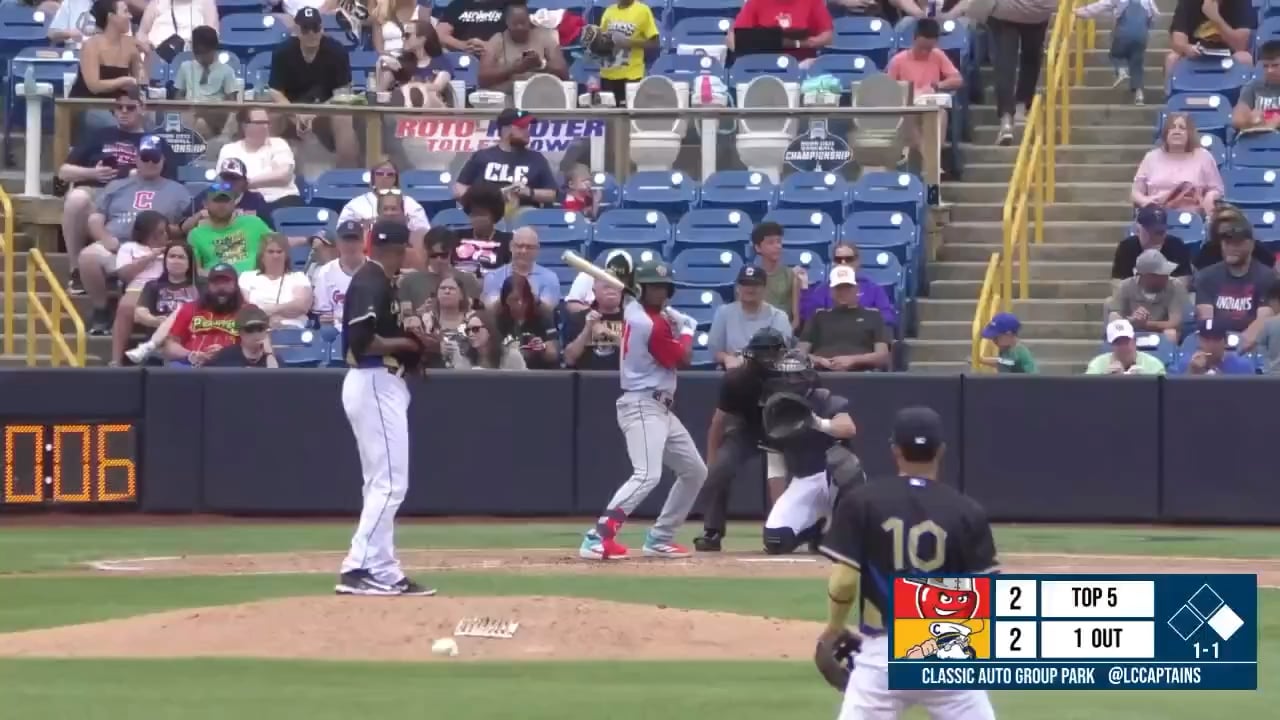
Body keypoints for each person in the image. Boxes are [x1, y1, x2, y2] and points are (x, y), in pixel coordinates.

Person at [817, 406, 999, 720]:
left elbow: (844, 581)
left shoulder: (862, 501)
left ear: (895, 450)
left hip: (882, 656)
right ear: (941, 451)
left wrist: (833, 629)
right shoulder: (967, 510)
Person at [579, 258, 708, 561]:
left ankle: (660, 537)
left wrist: (670, 320)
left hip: (660, 407)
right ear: (643, 289)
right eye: (654, 287)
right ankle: (598, 536)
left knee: (694, 471)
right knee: (647, 474)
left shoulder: (637, 310)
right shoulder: (649, 324)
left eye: (664, 288)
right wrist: (687, 330)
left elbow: (650, 313)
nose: (660, 293)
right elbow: (684, 358)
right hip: (642, 404)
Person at [335, 219, 435, 597]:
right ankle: (359, 566)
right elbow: (363, 342)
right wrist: (407, 345)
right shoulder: (369, 280)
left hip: (379, 382)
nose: (409, 251)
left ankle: (383, 569)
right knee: (391, 483)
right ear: (394, 249)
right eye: (406, 246)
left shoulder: (379, 280)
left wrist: (408, 347)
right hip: (374, 380)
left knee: (380, 483)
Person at [59, 87, 170, 295]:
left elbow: (166, 176)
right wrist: (93, 173)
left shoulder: (153, 141)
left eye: (130, 107)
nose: (123, 111)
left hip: (132, 194)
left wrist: (133, 174)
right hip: (97, 190)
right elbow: (64, 171)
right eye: (118, 107)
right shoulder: (100, 135)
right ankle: (76, 271)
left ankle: (118, 269)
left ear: (143, 109)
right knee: (76, 198)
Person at [77, 135, 191, 335]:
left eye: (155, 158)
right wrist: (104, 238)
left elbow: (183, 228)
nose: (149, 163)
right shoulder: (117, 185)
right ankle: (101, 310)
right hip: (116, 246)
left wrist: (163, 237)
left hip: (154, 253)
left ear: (163, 160)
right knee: (88, 256)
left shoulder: (179, 191)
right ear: (137, 159)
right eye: (145, 157)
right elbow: (95, 219)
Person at [759, 351, 859, 554]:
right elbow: (775, 466)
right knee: (776, 539)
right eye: (786, 376)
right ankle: (817, 528)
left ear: (808, 376)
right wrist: (780, 506)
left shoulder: (824, 398)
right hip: (804, 479)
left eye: (795, 375)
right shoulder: (774, 408)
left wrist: (816, 422)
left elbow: (849, 428)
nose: (790, 381)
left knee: (841, 459)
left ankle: (843, 527)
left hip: (833, 478)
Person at [268, 6, 360, 168]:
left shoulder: (336, 51)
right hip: (292, 109)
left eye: (315, 28)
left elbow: (343, 93)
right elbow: (275, 91)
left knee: (343, 117)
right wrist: (296, 114)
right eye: (305, 29)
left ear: (322, 28)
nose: (311, 34)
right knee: (269, 116)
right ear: (297, 30)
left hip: (326, 109)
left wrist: (313, 114)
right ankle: (264, 166)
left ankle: (347, 177)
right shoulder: (282, 52)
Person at [1192, 204, 1277, 345]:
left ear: (1251, 245)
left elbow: (1263, 319)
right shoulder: (1206, 276)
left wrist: (1238, 347)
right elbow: (1207, 321)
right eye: (1227, 243)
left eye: (1237, 243)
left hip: (1254, 344)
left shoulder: (1267, 277)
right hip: (1216, 343)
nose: (1231, 248)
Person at [453, 109, 558, 210]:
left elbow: (552, 193)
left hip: (523, 213)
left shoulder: (536, 158)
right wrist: (480, 200)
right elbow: (460, 187)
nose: (527, 132)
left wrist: (528, 192)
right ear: (505, 130)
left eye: (527, 127)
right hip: (487, 212)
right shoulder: (482, 156)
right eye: (522, 127)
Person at [68, 0, 146, 132]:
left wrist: (148, 56)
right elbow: (94, 86)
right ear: (111, 17)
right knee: (114, 125)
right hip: (87, 106)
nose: (131, 16)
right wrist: (123, 81)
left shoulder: (130, 45)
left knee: (148, 121)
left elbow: (141, 81)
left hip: (120, 107)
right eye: (125, 11)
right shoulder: (91, 45)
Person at [797, 265, 891, 372]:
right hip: (822, 372)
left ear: (856, 289)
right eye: (838, 288)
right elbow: (799, 354)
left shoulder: (873, 316)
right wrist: (819, 361)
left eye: (847, 288)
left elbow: (883, 356)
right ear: (831, 291)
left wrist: (853, 360)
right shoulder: (818, 316)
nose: (842, 292)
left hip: (861, 375)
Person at [986, 0, 1055, 144]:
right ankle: (1021, 107)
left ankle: (1006, 118)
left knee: (1005, 63)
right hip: (1037, 12)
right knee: (1031, 58)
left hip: (1004, 11)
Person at [886, 19, 964, 147]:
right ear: (914, 40)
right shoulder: (898, 61)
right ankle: (930, 160)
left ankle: (932, 159)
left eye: (929, 48)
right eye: (921, 48)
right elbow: (888, 88)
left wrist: (938, 85)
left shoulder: (938, 55)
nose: (924, 52)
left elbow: (957, 79)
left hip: (930, 105)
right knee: (908, 118)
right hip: (908, 108)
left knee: (941, 115)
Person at [107, 211, 170, 364]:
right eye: (161, 232)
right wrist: (150, 257)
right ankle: (116, 360)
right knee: (125, 307)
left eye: (166, 230)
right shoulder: (129, 247)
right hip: (138, 285)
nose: (166, 234)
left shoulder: (172, 249)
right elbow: (124, 275)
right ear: (148, 232)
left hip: (163, 287)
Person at [216, 108, 304, 218]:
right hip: (246, 203)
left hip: (282, 200)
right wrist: (269, 175)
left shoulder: (279, 144)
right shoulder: (229, 150)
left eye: (267, 122)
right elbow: (226, 183)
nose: (265, 126)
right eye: (259, 123)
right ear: (245, 126)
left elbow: (283, 176)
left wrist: (245, 183)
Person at [1130, 113, 1223, 217]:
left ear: (1189, 133)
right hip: (1157, 214)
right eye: (1172, 128)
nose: (1177, 131)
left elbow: (1217, 189)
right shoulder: (1151, 157)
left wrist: (1209, 197)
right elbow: (1136, 192)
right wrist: (1146, 201)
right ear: (1166, 133)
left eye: (1182, 128)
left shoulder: (1204, 156)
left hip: (1192, 217)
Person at [126, 242, 202, 364]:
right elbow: (139, 314)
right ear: (165, 261)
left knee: (181, 310)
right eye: (172, 256)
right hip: (160, 340)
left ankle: (149, 347)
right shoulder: (152, 286)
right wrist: (156, 321)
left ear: (190, 263)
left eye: (181, 257)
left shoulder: (201, 286)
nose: (175, 260)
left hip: (189, 336)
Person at [160, 262, 245, 365]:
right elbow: (170, 346)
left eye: (226, 282)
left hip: (232, 368)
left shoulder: (248, 311)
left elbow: (256, 346)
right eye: (216, 283)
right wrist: (191, 355)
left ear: (236, 285)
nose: (221, 287)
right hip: (192, 368)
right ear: (208, 286)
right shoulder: (190, 308)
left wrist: (225, 353)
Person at [708, 265, 793, 368]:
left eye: (755, 284)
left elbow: (779, 352)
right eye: (745, 284)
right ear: (737, 288)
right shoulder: (723, 313)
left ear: (765, 288)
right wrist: (727, 358)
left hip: (766, 374)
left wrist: (745, 361)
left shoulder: (778, 317)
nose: (749, 289)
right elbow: (716, 351)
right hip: (731, 373)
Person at [798, 243, 897, 330]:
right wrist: (804, 289)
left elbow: (888, 318)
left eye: (848, 259)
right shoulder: (823, 290)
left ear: (857, 262)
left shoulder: (874, 290)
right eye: (838, 259)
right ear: (833, 263)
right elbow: (808, 317)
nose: (843, 263)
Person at [1076, 0, 1157, 105]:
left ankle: (1121, 70)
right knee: (1137, 62)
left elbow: (1100, 6)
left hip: (1124, 32)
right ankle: (1139, 94)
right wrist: (1148, 27)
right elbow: (1155, 14)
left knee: (1115, 54)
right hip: (1141, 35)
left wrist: (1080, 12)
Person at [477, 4, 569, 96]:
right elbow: (483, 78)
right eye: (515, 24)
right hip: (507, 97)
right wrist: (513, 69)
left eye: (523, 23)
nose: (519, 27)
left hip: (541, 96)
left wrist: (541, 64)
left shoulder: (546, 37)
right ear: (507, 23)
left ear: (529, 20)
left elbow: (563, 73)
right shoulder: (497, 40)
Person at [1106, 249, 1190, 344]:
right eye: (1160, 274)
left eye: (1166, 273)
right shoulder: (1125, 286)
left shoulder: (1175, 286)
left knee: (1171, 333)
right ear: (1144, 275)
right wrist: (1133, 320)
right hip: (1131, 331)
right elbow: (1115, 322)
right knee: (1113, 315)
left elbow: (1174, 323)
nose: (1166, 277)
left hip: (1162, 332)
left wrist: (1145, 324)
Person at [187, 181, 275, 272]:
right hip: (218, 282)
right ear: (205, 204)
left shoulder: (254, 222)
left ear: (234, 203)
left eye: (226, 200)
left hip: (254, 281)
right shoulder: (196, 234)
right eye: (216, 200)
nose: (222, 205)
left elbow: (279, 245)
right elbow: (197, 272)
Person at [396, 226, 483, 314]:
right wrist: (421, 313)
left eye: (443, 255)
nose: (439, 260)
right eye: (433, 255)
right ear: (426, 252)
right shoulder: (410, 281)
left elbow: (478, 316)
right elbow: (405, 318)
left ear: (451, 252)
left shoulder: (468, 280)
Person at [172, 26, 237, 139]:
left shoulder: (227, 71)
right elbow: (178, 96)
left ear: (214, 49)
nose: (201, 57)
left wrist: (211, 112)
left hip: (215, 116)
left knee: (202, 122)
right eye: (197, 53)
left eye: (204, 53)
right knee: (196, 121)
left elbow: (232, 103)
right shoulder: (185, 67)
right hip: (190, 113)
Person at [237, 233, 314, 329]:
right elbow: (246, 309)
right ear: (262, 256)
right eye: (270, 252)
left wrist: (270, 309)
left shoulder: (299, 277)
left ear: (286, 255)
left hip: (293, 329)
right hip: (256, 330)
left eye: (279, 252)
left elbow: (301, 306)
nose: (275, 256)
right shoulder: (247, 277)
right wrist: (279, 312)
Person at [338, 159, 431, 237]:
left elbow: (424, 233)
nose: (384, 178)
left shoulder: (410, 204)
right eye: (380, 174)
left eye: (390, 174)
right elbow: (342, 232)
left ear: (396, 179)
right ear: (373, 177)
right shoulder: (355, 205)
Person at [727, 0, 834, 66]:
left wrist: (801, 43)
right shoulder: (757, 1)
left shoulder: (812, 1)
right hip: (764, 64)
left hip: (802, 63)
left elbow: (828, 36)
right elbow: (732, 40)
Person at [1166, 0, 1254, 78]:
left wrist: (1215, 17)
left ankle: (1243, 95)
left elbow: (1240, 45)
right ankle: (1172, 95)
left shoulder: (1241, 3)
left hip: (1228, 55)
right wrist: (1187, 48)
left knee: (1245, 58)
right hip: (1196, 55)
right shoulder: (1187, 2)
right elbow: (1178, 41)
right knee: (1172, 58)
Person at [182, 158, 273, 234]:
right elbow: (183, 228)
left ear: (245, 181)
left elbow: (270, 232)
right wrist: (201, 214)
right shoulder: (208, 194)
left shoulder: (256, 199)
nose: (229, 183)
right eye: (226, 178)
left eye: (234, 179)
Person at [594, 0, 659, 107]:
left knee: (628, 116)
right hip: (607, 75)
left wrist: (628, 42)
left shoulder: (642, 10)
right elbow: (602, 40)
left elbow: (654, 43)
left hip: (631, 76)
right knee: (608, 117)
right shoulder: (609, 11)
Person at [1110, 205, 1194, 285]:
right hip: (1134, 297)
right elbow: (1117, 281)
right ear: (1138, 230)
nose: (1156, 237)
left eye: (1160, 232)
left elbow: (1184, 280)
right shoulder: (1127, 247)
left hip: (1168, 297)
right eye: (1151, 231)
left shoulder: (1176, 245)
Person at [481, 227, 561, 309]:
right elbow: (490, 308)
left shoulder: (550, 278)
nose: (524, 251)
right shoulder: (493, 277)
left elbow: (547, 310)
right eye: (519, 246)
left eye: (529, 247)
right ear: (511, 246)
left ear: (537, 250)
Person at [493, 273, 560, 369]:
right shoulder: (498, 317)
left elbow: (554, 353)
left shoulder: (542, 312)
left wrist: (543, 347)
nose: (520, 303)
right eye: (514, 300)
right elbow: (491, 353)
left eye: (525, 298)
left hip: (540, 372)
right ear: (505, 300)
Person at [377, 18, 452, 102]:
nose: (403, 39)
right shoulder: (401, 63)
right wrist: (383, 65)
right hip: (405, 110)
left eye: (407, 35)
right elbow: (380, 92)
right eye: (403, 35)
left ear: (422, 39)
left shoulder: (441, 61)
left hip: (432, 110)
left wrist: (410, 87)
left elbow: (438, 86)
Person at [312, 220, 368, 329]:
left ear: (363, 242)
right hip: (336, 332)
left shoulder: (375, 270)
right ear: (338, 243)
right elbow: (324, 315)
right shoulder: (325, 272)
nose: (350, 245)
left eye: (354, 240)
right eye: (346, 240)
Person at [563, 277, 625, 370]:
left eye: (615, 287)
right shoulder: (579, 318)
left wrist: (608, 335)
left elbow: (638, 355)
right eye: (606, 287)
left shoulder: (631, 318)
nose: (611, 291)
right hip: (588, 378)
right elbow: (569, 359)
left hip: (622, 378)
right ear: (594, 291)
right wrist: (587, 329)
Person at [453, 181, 513, 276]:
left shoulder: (508, 241)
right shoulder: (455, 237)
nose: (477, 218)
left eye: (482, 214)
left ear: (494, 215)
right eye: (474, 213)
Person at [138, 0, 218, 62]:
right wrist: (148, 50)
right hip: (155, 57)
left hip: (191, 57)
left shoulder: (206, 2)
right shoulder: (158, 2)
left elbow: (212, 34)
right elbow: (142, 34)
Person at [750, 222, 798, 325]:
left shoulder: (791, 276)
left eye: (779, 242)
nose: (777, 246)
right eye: (771, 242)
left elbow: (796, 320)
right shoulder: (748, 278)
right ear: (758, 247)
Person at [448, 309, 526, 369]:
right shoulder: (467, 358)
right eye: (468, 330)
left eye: (475, 329)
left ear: (489, 330)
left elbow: (524, 383)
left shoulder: (511, 356)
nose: (471, 334)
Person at [205, 305, 280, 367]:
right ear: (240, 332)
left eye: (260, 328)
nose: (256, 333)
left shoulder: (274, 359)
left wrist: (269, 354)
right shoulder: (226, 356)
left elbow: (277, 382)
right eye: (249, 329)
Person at [1084, 318, 1167, 375]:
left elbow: (1163, 395)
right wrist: (1106, 380)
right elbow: (1088, 393)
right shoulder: (1097, 365)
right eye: (1118, 342)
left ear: (1134, 340)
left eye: (1126, 341)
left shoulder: (1154, 365)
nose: (1123, 347)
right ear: (1111, 345)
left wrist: (1143, 382)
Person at [1174, 318, 1255, 375]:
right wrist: (1192, 373)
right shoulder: (1187, 363)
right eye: (1206, 340)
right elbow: (1176, 396)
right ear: (1199, 340)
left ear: (1225, 341)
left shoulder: (1242, 366)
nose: (1211, 345)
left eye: (1216, 339)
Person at [1233, 40, 1280, 133]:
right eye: (1266, 66)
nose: (1270, 70)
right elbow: (1237, 119)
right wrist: (1250, 120)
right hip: (1258, 139)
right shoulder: (1253, 86)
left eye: (1275, 65)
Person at [436, 0, 506, 54]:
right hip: (463, 59)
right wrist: (463, 46)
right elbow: (440, 34)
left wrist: (490, 47)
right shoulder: (458, 4)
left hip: (498, 59)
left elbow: (515, 32)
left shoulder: (508, 4)